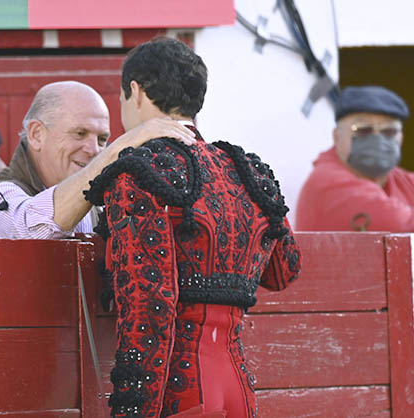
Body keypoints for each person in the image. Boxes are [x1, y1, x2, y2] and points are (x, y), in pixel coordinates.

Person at [83, 37, 302, 418]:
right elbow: (284, 270)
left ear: (135, 91)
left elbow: (148, 304)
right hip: (238, 386)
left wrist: (135, 411)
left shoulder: (140, 170)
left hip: (179, 390)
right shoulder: (247, 171)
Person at [0, 80, 196, 239]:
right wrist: (118, 151)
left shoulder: (97, 202)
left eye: (103, 139)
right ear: (37, 134)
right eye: (79, 134)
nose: (93, 149)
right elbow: (30, 229)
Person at [295, 85, 414, 231]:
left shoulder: (400, 180)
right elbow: (398, 223)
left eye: (389, 131)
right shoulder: (327, 184)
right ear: (336, 136)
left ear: (400, 138)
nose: (377, 139)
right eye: (363, 130)